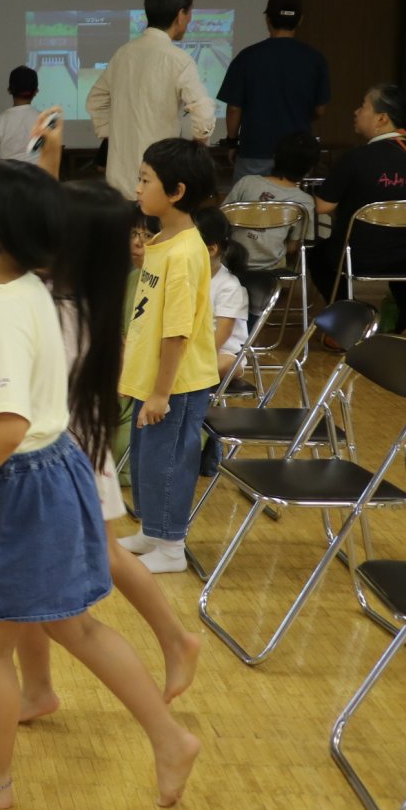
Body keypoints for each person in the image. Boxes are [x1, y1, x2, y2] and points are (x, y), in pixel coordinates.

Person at [0, 161, 201, 809]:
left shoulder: (5, 313)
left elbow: (5, 427)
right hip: (53, 471)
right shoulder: (28, 293)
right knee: (74, 626)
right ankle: (168, 737)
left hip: (18, 486)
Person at [116, 139, 221, 575]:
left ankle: (172, 546)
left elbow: (177, 332)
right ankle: (152, 532)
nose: (138, 188)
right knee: (146, 458)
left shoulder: (184, 253)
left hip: (175, 384)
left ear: (176, 191)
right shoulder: (163, 241)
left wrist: (161, 393)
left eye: (146, 180)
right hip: (154, 379)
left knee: (169, 463)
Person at [87, 0, 217, 198]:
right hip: (159, 181)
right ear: (180, 14)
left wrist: (112, 136)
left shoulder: (123, 54)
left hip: (119, 181)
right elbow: (203, 113)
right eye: (190, 13)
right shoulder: (179, 59)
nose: (189, 19)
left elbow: (96, 99)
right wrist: (197, 149)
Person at [311, 84, 406, 339]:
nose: (356, 112)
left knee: (318, 257)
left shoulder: (356, 158)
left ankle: (346, 326)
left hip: (364, 257)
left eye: (362, 106)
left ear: (382, 118)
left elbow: (323, 206)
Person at [218, 0, 330, 185]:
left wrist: (232, 142)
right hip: (298, 153)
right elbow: (320, 109)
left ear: (267, 19)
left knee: (250, 201)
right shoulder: (315, 59)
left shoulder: (247, 57)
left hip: (255, 149)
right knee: (293, 202)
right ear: (300, 20)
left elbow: (234, 108)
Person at [225, 130, 320, 273]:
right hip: (270, 267)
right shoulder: (304, 202)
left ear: (275, 157)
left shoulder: (247, 182)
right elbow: (293, 246)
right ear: (310, 169)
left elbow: (222, 220)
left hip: (231, 262)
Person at [193, 206, 253, 383]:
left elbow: (222, 332)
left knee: (226, 363)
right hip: (189, 349)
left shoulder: (229, 286)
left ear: (211, 249)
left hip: (220, 352)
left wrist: (195, 359)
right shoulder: (186, 276)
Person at [0, 66, 42, 163]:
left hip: (7, 172)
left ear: (9, 90)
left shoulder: (0, 119)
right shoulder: (44, 119)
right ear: (36, 91)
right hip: (35, 172)